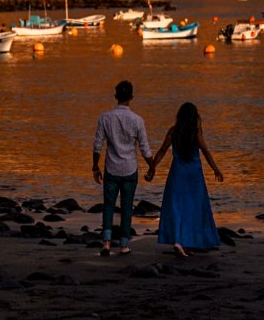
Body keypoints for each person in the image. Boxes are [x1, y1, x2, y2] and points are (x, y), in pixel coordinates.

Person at [145, 102, 224, 258]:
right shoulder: (196, 132)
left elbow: (162, 151)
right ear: (195, 117)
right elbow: (206, 151)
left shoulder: (174, 132)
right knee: (193, 208)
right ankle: (184, 242)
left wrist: (152, 168)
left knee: (176, 207)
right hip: (194, 175)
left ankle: (179, 241)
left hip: (178, 174)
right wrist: (216, 169)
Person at [92, 79, 152, 256]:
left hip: (111, 168)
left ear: (115, 96)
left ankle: (107, 243)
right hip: (130, 169)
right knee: (127, 207)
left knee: (108, 206)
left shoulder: (105, 118)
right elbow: (144, 148)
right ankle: (124, 244)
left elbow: (97, 145)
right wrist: (152, 166)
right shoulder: (137, 120)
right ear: (131, 97)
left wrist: (95, 166)